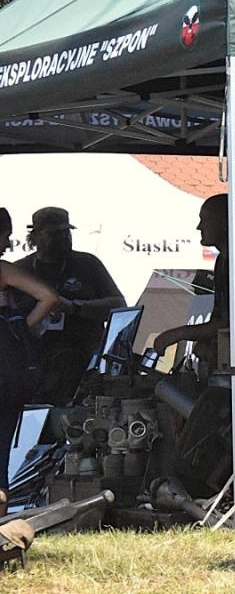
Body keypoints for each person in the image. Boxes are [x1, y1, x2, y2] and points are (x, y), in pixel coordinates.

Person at [16, 207, 126, 405]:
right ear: (36, 236)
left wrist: (76, 307)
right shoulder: (20, 271)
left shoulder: (88, 264)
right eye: (54, 233)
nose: (64, 238)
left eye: (66, 232)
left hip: (85, 361)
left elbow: (119, 305)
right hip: (36, 364)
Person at [0, 208, 62, 497]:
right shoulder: (4, 269)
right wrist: (20, 328)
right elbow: (49, 297)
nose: (8, 244)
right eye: (6, 236)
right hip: (7, 375)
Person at [151, 195, 230, 366]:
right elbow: (221, 318)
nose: (199, 227)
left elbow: (234, 320)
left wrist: (176, 334)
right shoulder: (222, 261)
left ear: (224, 222)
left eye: (205, 220)